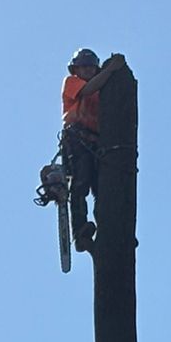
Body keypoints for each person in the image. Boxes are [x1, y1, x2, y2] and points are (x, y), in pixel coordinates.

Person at [61, 48, 102, 252]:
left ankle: (108, 230)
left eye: (90, 67)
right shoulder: (73, 83)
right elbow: (86, 90)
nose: (87, 70)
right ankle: (79, 231)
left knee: (103, 190)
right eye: (83, 67)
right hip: (77, 140)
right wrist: (109, 73)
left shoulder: (102, 91)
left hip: (98, 144)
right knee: (80, 183)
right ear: (76, 69)